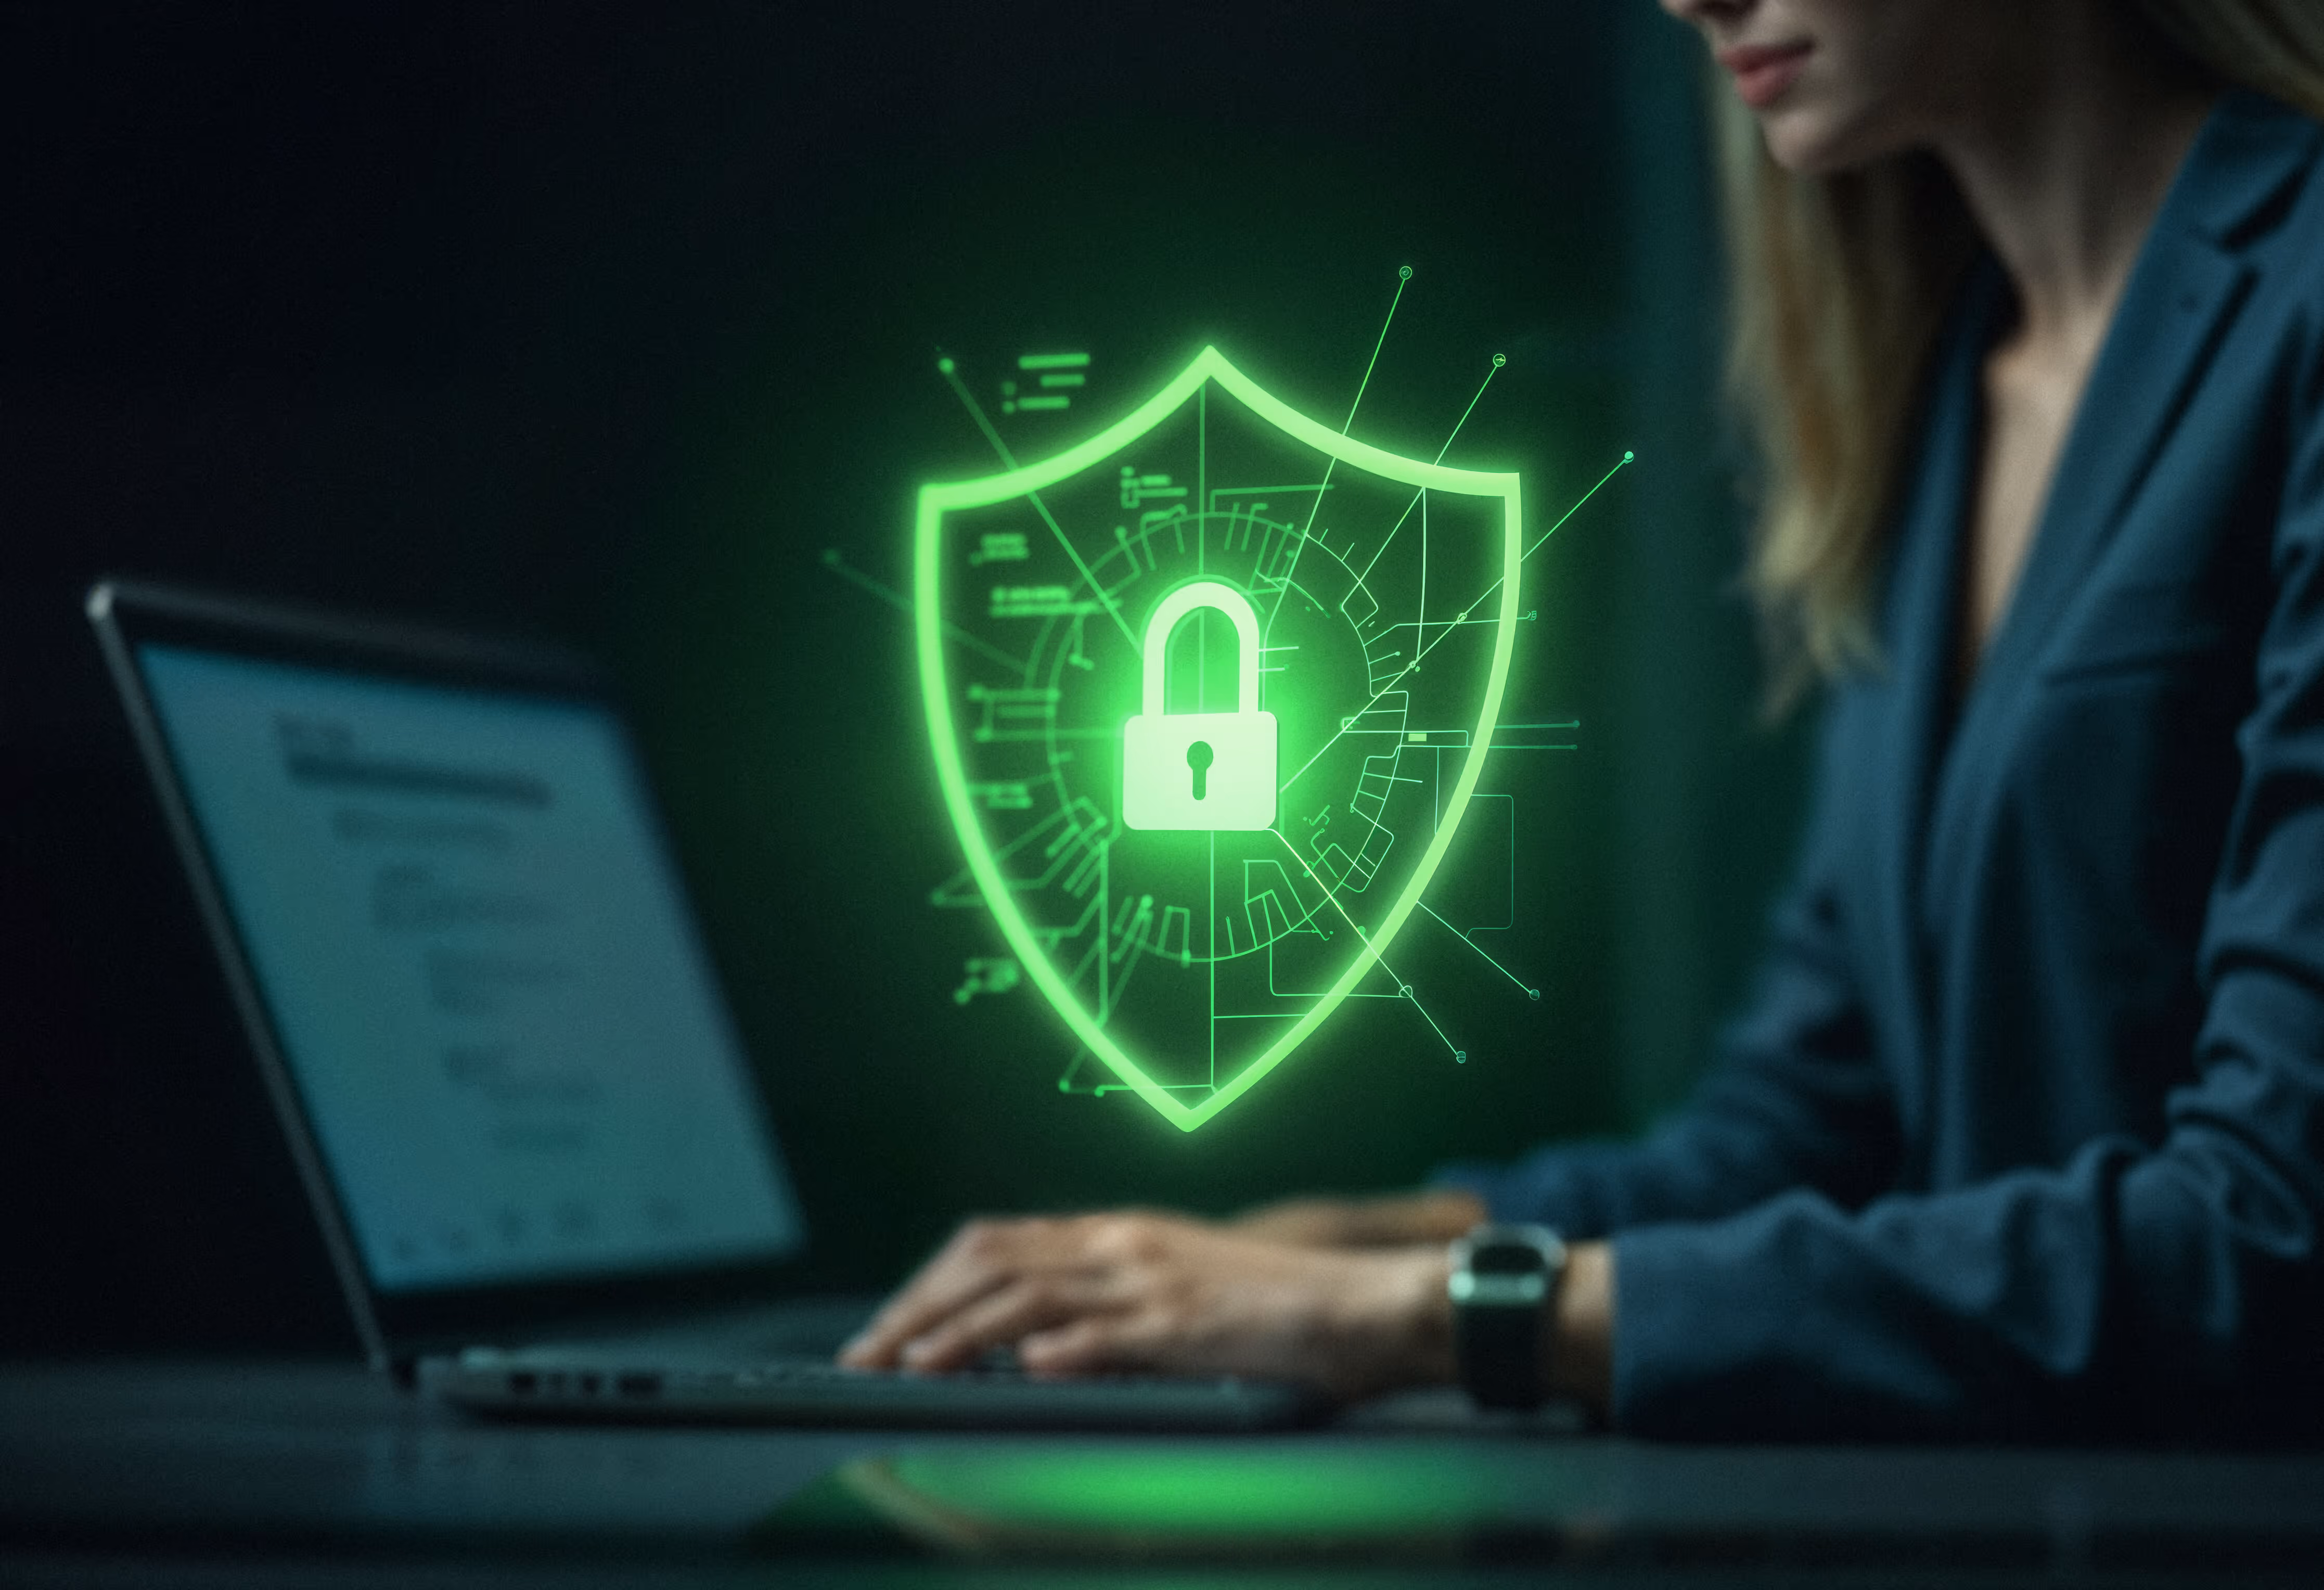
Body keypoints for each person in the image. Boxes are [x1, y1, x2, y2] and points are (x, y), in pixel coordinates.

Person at [843, 0, 2324, 1440]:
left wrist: (1423, 1316)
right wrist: (1350, 1244)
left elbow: (2270, 1236)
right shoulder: (1940, 381)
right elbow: (1816, 1131)